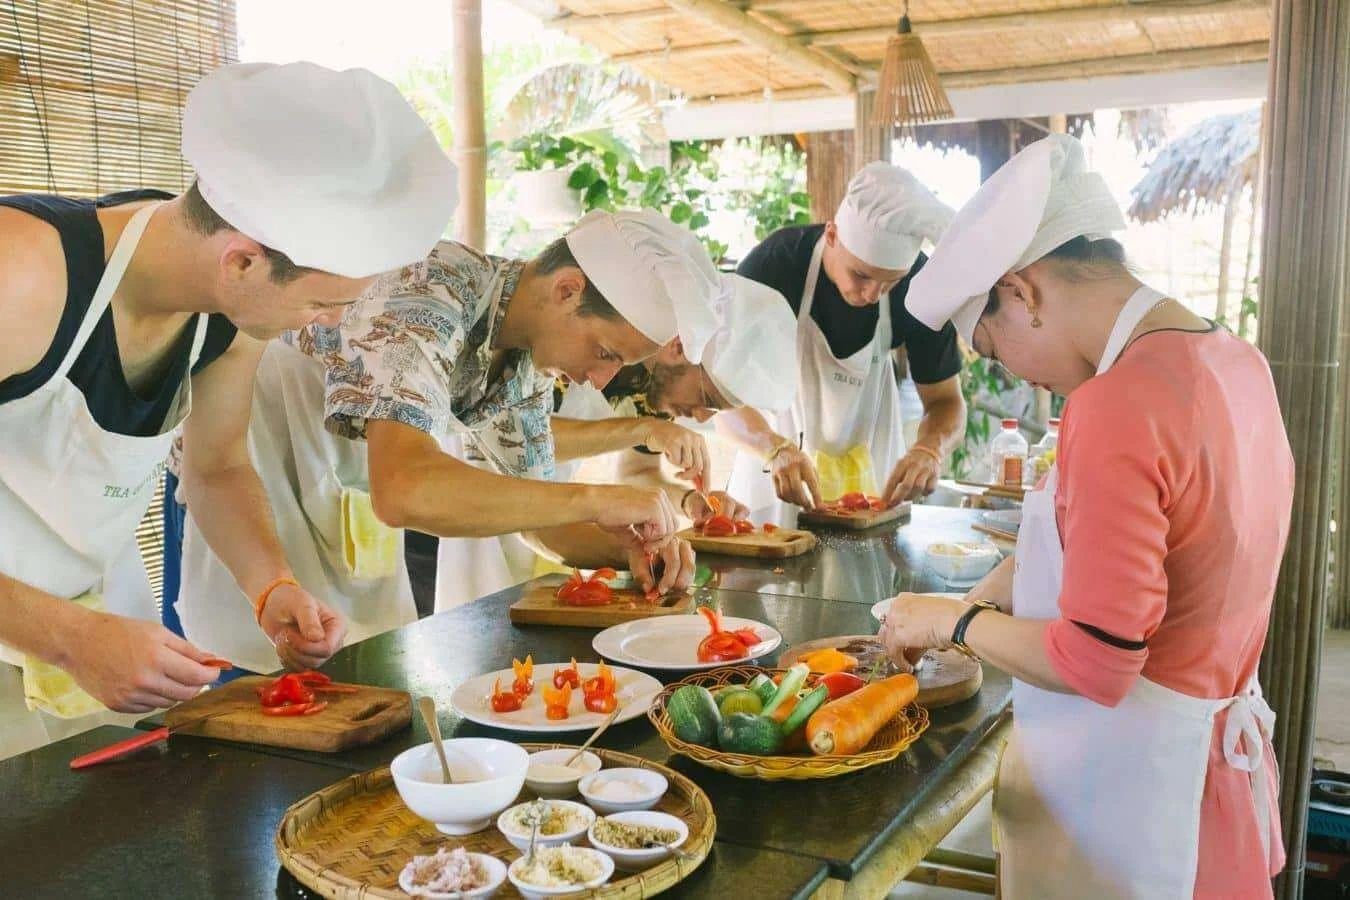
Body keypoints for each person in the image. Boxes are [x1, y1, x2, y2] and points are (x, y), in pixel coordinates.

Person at [0, 60, 457, 758]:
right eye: (322, 301)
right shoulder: (20, 274)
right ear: (241, 261)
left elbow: (215, 468)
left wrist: (271, 587)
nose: (331, 324)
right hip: (53, 630)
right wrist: (68, 638)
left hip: (90, 621)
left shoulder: (227, 315)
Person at [882, 134, 1291, 899]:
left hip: (1135, 801)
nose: (1011, 371)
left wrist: (951, 622)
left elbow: (1098, 660)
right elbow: (1129, 551)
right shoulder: (1234, 360)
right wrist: (983, 595)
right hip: (1209, 777)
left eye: (993, 349)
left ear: (1023, 292)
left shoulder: (1116, 402)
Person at [180, 209, 717, 669]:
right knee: (245, 683)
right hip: (253, 491)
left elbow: (537, 521)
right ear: (567, 289)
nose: (600, 381)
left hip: (342, 507)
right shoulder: (427, 291)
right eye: (606, 353)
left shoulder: (524, 356)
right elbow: (405, 490)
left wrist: (633, 549)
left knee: (360, 676)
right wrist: (599, 499)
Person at [723, 162, 966, 525]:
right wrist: (774, 449)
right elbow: (721, 396)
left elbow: (946, 401)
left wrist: (929, 450)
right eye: (861, 274)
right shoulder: (777, 266)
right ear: (833, 234)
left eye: (890, 283)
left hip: (873, 484)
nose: (871, 294)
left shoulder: (920, 285)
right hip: (773, 474)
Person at [548, 272, 800, 530]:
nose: (702, 417)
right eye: (707, 399)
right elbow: (526, 440)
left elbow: (636, 474)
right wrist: (648, 432)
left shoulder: (659, 389)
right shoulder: (582, 336)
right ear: (679, 347)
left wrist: (688, 501)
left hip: (545, 510)